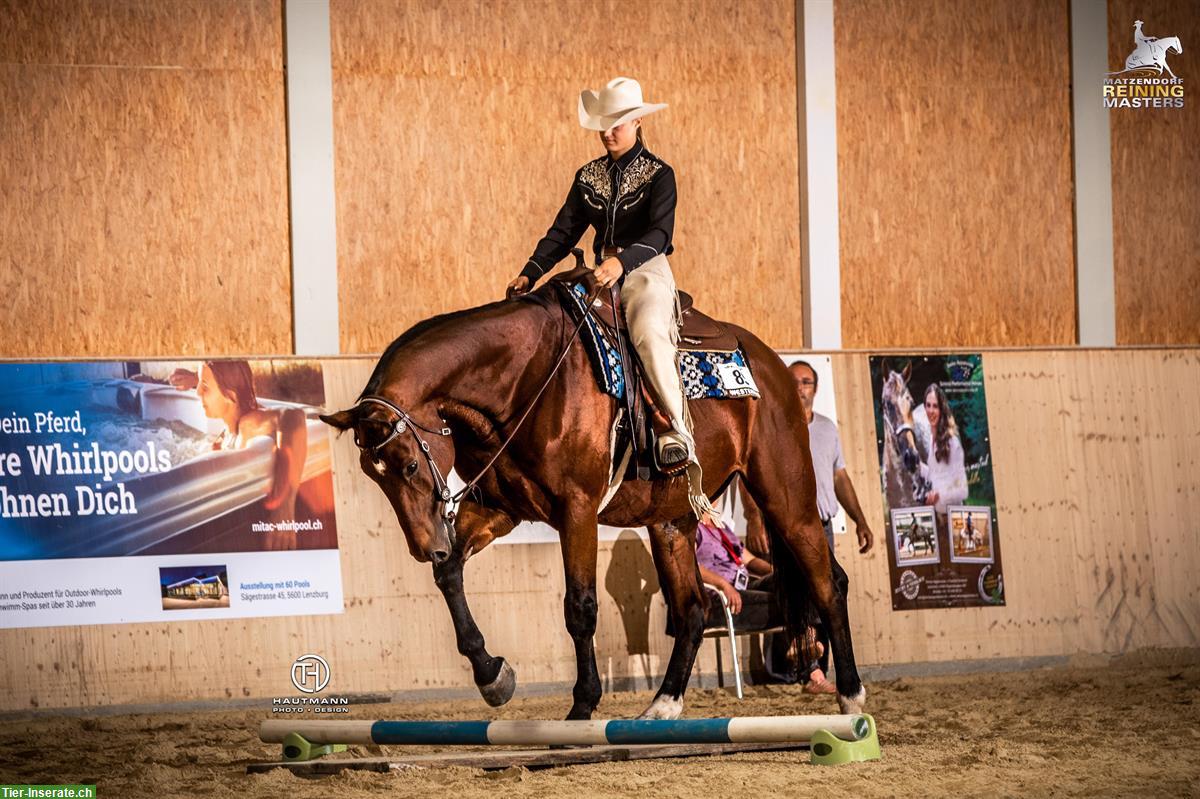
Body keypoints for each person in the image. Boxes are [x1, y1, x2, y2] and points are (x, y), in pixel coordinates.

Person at [506, 77, 709, 517]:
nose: (608, 131)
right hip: (599, 271)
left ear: (637, 121)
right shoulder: (588, 176)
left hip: (645, 269)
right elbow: (563, 231)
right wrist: (532, 271)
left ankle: (676, 431)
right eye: (604, 123)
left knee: (650, 334)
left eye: (617, 122)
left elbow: (660, 233)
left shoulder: (660, 175)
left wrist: (624, 262)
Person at [743, 360, 874, 693]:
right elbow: (747, 475)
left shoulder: (828, 429)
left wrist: (859, 518)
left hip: (823, 524)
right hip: (787, 527)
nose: (799, 387)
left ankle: (820, 670)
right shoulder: (774, 425)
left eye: (805, 382)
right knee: (797, 592)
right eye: (793, 381)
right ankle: (808, 671)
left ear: (815, 388)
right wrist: (754, 517)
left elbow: (839, 476)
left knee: (828, 591)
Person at [169, 361, 308, 549]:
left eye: (205, 388)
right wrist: (196, 378)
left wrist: (284, 506)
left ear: (230, 396)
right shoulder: (225, 433)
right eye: (199, 386)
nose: (197, 393)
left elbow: (294, 417)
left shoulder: (247, 424)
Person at [915, 383, 968, 516]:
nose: (931, 411)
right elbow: (936, 474)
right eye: (928, 405)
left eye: (935, 406)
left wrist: (938, 494)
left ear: (941, 409)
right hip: (938, 518)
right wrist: (918, 465)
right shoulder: (932, 438)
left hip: (954, 517)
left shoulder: (952, 441)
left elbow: (962, 489)